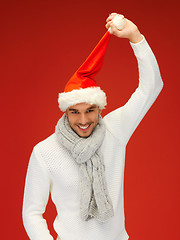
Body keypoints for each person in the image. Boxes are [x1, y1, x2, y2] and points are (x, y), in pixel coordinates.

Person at [22, 13, 163, 240]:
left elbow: (152, 87)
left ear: (100, 108)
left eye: (90, 110)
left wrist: (135, 37)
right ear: (65, 111)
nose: (84, 120)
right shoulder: (45, 151)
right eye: (74, 112)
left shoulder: (115, 130)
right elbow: (31, 213)